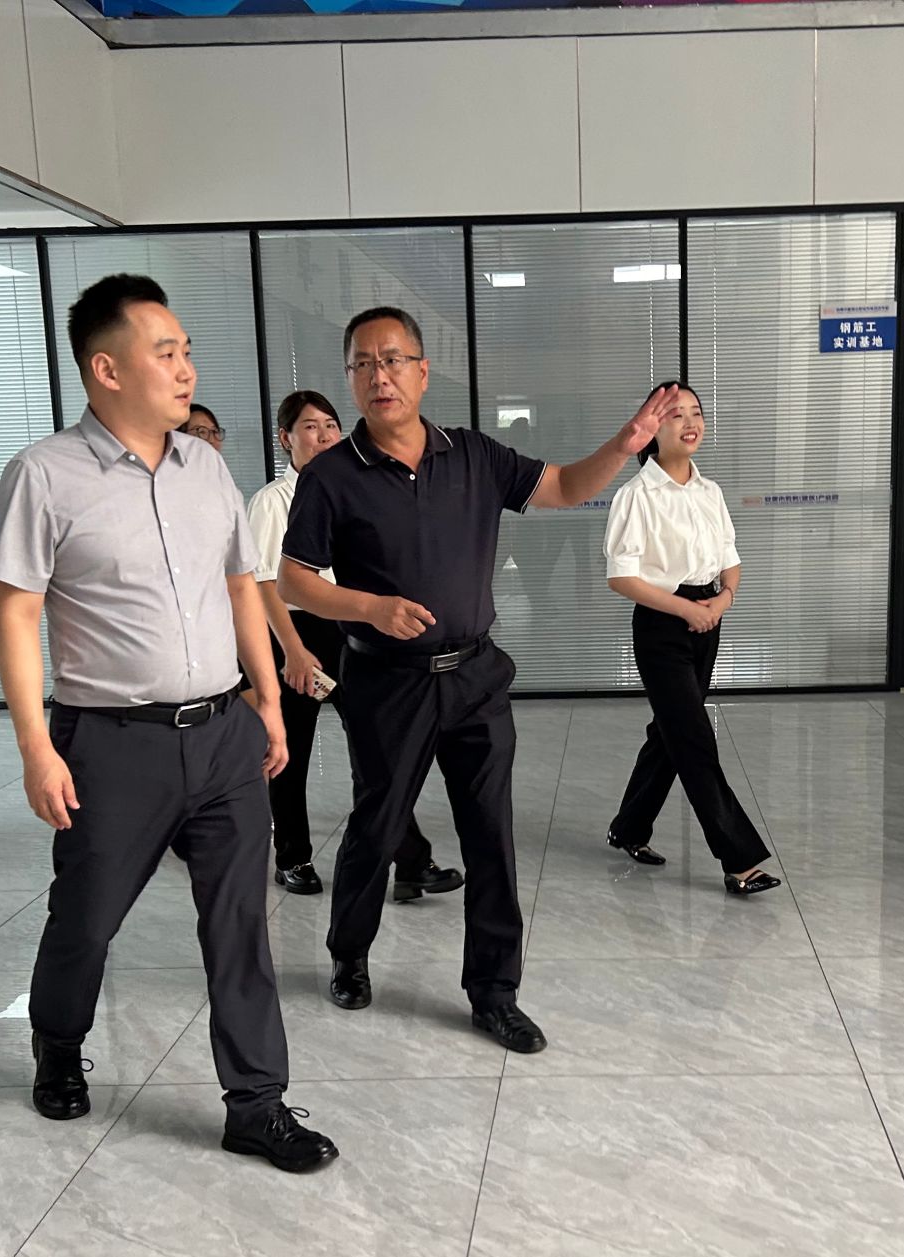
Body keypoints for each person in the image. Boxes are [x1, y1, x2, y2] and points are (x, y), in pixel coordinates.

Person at [0, 273, 335, 1173]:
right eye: (167, 352)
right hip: (111, 746)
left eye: (187, 351)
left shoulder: (206, 468)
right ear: (107, 369)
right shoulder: (43, 476)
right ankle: (58, 1044)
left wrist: (268, 700)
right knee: (86, 919)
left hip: (223, 734)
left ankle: (257, 1104)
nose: (187, 369)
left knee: (240, 926)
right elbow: (18, 617)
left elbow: (241, 586)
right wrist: (35, 748)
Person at [279, 305, 678, 1053]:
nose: (379, 376)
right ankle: (349, 954)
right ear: (352, 378)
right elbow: (294, 581)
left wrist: (624, 447)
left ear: (423, 372)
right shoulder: (331, 476)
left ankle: (494, 992)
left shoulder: (472, 455)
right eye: (363, 364)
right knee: (378, 823)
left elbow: (564, 487)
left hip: (474, 679)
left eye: (393, 360)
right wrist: (369, 607)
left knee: (490, 835)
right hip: (386, 682)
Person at [246, 388, 462, 902]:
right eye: (310, 427)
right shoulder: (272, 501)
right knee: (290, 752)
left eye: (330, 426)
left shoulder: (347, 489)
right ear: (285, 439)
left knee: (377, 750)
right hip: (295, 633)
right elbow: (263, 584)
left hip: (348, 628)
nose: (323, 436)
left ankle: (410, 861)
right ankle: (292, 857)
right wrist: (294, 651)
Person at [603, 383, 779, 896]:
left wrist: (722, 601)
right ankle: (739, 860)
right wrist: (686, 609)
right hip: (663, 625)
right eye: (675, 415)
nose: (690, 423)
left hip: (707, 618)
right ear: (651, 429)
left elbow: (730, 558)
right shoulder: (636, 496)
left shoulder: (710, 491)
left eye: (696, 412)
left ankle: (628, 828)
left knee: (671, 733)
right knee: (695, 739)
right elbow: (621, 577)